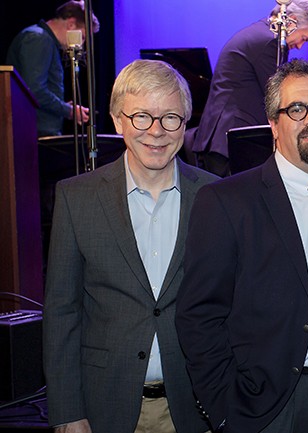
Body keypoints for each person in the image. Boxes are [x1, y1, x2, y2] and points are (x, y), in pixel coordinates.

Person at [176, 59, 308, 433]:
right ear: (274, 124)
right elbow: (199, 316)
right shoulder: (227, 202)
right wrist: (225, 410)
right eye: (296, 110)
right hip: (278, 406)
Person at [42, 59, 218, 433]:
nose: (156, 131)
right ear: (118, 120)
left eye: (171, 117)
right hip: (104, 406)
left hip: (195, 408)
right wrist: (67, 411)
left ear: (185, 124)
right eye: (141, 116)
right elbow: (62, 312)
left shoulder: (216, 196)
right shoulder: (77, 198)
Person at [191, 0, 308, 177]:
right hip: (231, 143)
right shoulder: (269, 43)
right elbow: (279, 97)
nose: (300, 46)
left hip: (222, 139)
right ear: (290, 21)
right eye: (304, 38)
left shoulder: (259, 34)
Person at [6, 0, 97, 137]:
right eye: (82, 37)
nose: (81, 45)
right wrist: (69, 110)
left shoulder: (44, 40)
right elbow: (34, 91)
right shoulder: (39, 39)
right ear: (71, 24)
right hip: (35, 133)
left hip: (37, 130)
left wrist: (62, 106)